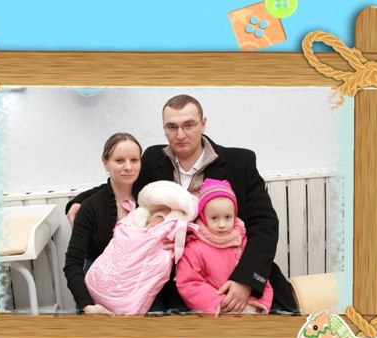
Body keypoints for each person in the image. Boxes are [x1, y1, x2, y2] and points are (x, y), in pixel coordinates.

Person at [66, 94, 298, 313]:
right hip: (177, 281)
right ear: (164, 128)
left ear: (203, 124)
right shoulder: (153, 158)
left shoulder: (240, 162)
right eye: (172, 127)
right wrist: (80, 201)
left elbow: (265, 224)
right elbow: (124, 182)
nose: (180, 134)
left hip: (232, 269)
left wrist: (245, 280)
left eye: (189, 125)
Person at [85, 180, 198, 315]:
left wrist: (158, 224)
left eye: (157, 221)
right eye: (153, 221)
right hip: (123, 251)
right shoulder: (137, 216)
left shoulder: (167, 223)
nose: (127, 168)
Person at [63, 132, 142, 315]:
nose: (128, 167)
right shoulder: (90, 207)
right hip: (98, 290)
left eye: (134, 160)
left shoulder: (149, 200)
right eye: (119, 161)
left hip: (138, 287)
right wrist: (87, 305)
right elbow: (73, 263)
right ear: (105, 163)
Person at [176, 178, 273, 315]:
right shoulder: (194, 248)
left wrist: (254, 305)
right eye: (214, 218)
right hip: (217, 312)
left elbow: (260, 277)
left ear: (235, 215)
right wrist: (220, 303)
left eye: (227, 217)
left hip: (248, 308)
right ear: (203, 217)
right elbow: (189, 283)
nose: (222, 225)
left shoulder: (243, 241)